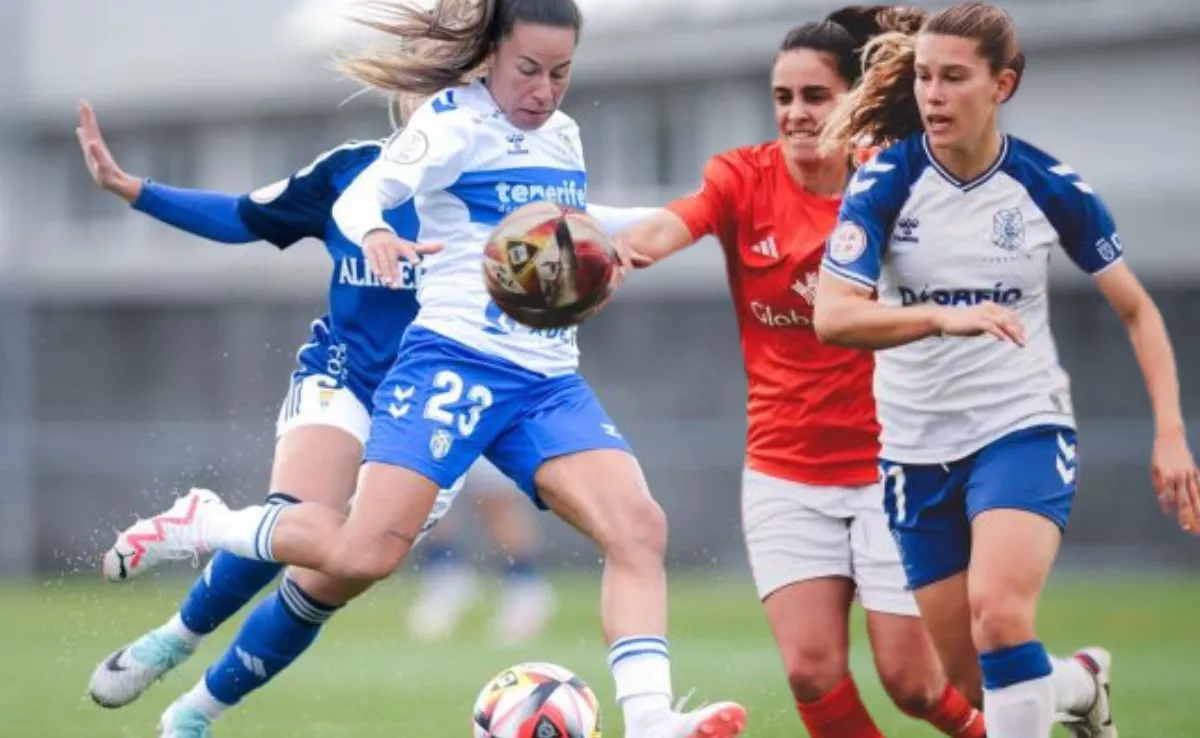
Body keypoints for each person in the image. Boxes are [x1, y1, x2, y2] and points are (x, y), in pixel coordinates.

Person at [100, 2, 747, 738]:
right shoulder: (450, 122)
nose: (544, 89)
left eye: (561, 73)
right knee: (357, 554)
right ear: (490, 59)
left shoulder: (563, 136)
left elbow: (575, 222)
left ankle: (651, 720)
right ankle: (208, 522)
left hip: (546, 378)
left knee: (638, 526)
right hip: (454, 366)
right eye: (528, 70)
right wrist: (375, 227)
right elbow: (370, 191)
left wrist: (700, 218)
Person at [812, 3, 1200, 737]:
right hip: (916, 447)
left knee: (1000, 613)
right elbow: (832, 316)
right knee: (976, 682)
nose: (933, 95)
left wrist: (1171, 433)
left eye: (954, 78)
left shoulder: (1048, 186)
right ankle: (1081, 685)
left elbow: (1140, 311)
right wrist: (939, 317)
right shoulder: (885, 182)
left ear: (1003, 85)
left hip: (1020, 426)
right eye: (925, 77)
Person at [614, 7, 987, 738]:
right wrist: (623, 251)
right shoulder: (741, 178)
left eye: (814, 96)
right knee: (810, 671)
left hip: (894, 464)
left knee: (912, 683)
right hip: (784, 469)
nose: (795, 113)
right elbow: (674, 220)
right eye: (782, 97)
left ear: (852, 98)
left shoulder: (896, 185)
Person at [407, 457, 558, 645]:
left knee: (496, 498)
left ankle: (524, 585)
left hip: (482, 430)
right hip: (437, 428)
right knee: (426, 489)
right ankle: (447, 574)